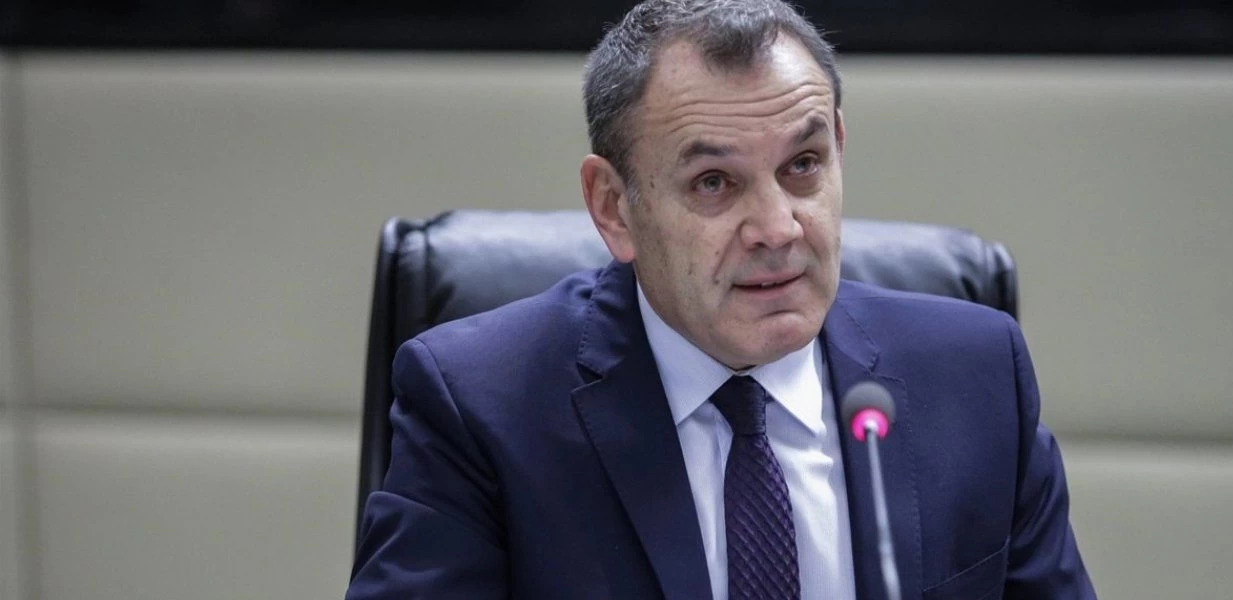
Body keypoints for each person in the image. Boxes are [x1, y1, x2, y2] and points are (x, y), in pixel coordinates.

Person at [347, 1, 1095, 598]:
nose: (777, 228)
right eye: (714, 182)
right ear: (613, 206)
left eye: (803, 165)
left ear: (839, 147)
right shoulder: (480, 405)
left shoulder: (976, 378)